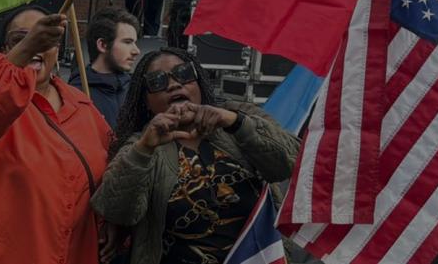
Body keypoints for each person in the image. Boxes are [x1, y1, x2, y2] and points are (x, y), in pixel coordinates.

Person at [90, 47, 300, 264]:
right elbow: (118, 212)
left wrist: (235, 122)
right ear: (146, 100)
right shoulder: (140, 144)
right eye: (157, 81)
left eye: (183, 74)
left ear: (198, 82)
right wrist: (144, 150)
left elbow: (291, 162)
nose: (173, 84)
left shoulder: (237, 115)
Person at [0, 5, 113, 264]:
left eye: (46, 40)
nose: (35, 45)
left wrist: (111, 224)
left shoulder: (83, 107)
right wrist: (27, 49)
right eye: (19, 39)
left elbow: (108, 181)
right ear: (3, 52)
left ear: (57, 51)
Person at [70, 7, 142, 127]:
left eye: (135, 43)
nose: (136, 51)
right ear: (103, 45)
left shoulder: (135, 88)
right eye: (127, 42)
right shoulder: (75, 94)